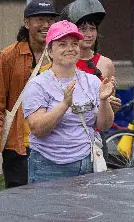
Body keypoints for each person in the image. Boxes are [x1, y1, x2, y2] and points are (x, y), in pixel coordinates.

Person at [22, 20, 116, 183]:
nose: (70, 49)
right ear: (50, 51)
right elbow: (37, 129)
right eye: (62, 44)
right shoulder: (38, 85)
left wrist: (104, 101)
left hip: (87, 164)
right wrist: (64, 105)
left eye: (74, 44)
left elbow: (104, 125)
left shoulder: (92, 81)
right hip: (49, 168)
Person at [0, 0, 58, 188]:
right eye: (40, 19)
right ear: (26, 23)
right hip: (18, 149)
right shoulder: (7, 57)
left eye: (50, 20)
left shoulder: (60, 54)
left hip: (54, 146)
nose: (46, 25)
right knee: (20, 202)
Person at [63, 0, 115, 83]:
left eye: (92, 29)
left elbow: (110, 93)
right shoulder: (62, 62)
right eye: (83, 29)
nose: (89, 34)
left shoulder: (106, 64)